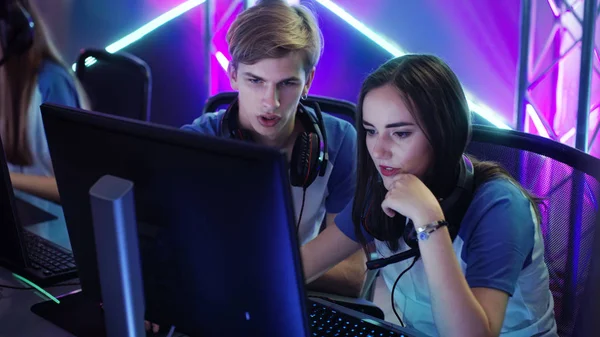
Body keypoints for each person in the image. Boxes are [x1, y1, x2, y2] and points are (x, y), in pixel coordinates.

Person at [302, 54, 558, 336]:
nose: (378, 150)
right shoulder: (385, 187)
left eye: (400, 134)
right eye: (371, 131)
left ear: (443, 134)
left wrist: (428, 222)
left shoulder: (500, 208)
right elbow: (300, 267)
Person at [182, 0, 365, 295]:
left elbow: (353, 275)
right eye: (255, 80)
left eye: (287, 83)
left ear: (308, 82)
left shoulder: (341, 142)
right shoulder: (195, 143)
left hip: (296, 296)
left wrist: (250, 266)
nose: (271, 102)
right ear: (232, 75)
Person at [0, 0, 89, 202]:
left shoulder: (51, 84)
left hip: (58, 226)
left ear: (13, 34)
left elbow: (76, 185)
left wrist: (7, 178)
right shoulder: (3, 85)